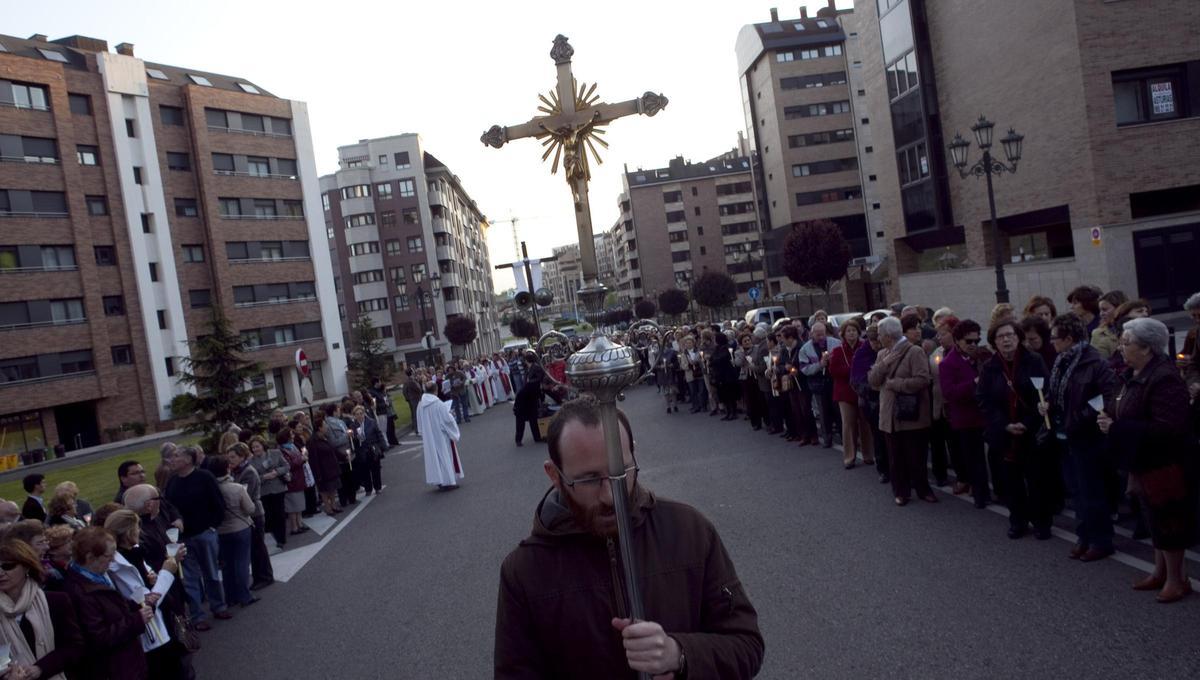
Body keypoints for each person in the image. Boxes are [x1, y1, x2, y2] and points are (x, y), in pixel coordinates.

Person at [493, 397, 764, 679]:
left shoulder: (690, 531)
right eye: (588, 479)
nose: (611, 495)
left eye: (620, 472)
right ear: (555, 476)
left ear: (633, 455)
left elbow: (746, 645)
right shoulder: (524, 573)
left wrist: (679, 654)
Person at [1100, 317, 1195, 603]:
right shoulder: (1134, 374)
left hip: (1164, 462)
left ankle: (1177, 579)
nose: (1121, 348)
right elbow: (1125, 407)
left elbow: (1168, 428)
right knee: (1152, 515)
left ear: (1147, 348)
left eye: (1127, 343)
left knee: (1168, 519)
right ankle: (1160, 571)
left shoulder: (1163, 377)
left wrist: (1117, 428)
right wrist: (1110, 417)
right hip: (1143, 459)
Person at [1041, 313, 1117, 562]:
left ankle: (1101, 540)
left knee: (1091, 491)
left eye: (1055, 338)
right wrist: (1048, 404)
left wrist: (1080, 417)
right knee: (1076, 491)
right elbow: (1058, 393)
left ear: (1069, 338)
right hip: (1065, 436)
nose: (1051, 342)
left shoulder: (1094, 363)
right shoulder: (1062, 361)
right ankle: (1084, 536)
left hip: (1087, 436)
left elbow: (1107, 398)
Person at [977, 319, 1054, 540]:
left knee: (1037, 479)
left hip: (1031, 430)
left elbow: (1045, 393)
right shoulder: (990, 367)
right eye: (1000, 337)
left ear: (1018, 337)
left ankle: (1042, 522)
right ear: (994, 342)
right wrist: (1004, 425)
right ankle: (1017, 520)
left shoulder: (1033, 361)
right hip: (1004, 434)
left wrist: (1027, 422)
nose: (1006, 339)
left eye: (1010, 335)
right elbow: (983, 400)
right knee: (1011, 482)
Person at [103, 509, 186, 679]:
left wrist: (155, 577)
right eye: (136, 528)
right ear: (127, 533)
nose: (139, 531)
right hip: (149, 637)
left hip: (161, 627)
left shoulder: (135, 553)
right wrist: (167, 571)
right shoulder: (117, 567)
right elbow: (149, 601)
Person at [63, 526, 152, 679]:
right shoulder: (80, 592)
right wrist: (136, 620)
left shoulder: (95, 577)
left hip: (125, 664)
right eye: (108, 556)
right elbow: (99, 638)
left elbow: (113, 609)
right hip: (114, 670)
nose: (112, 561)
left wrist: (137, 604)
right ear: (90, 557)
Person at [869, 316, 936, 506]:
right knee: (895, 457)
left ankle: (923, 489)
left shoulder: (915, 352)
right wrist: (883, 365)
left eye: (881, 334)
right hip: (889, 414)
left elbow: (923, 379)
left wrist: (895, 384)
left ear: (889, 335)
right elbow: (873, 381)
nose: (879, 338)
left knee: (916, 456)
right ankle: (901, 491)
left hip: (912, 414)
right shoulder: (882, 354)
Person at [163, 445, 231, 629]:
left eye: (176, 456)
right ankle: (198, 616)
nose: (172, 459)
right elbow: (167, 506)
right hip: (183, 538)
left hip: (204, 534)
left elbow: (218, 503)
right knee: (191, 579)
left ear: (187, 460)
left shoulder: (204, 477)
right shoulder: (172, 482)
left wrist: (211, 527)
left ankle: (219, 606)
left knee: (211, 572)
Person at [0, 538, 84, 680]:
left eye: (8, 566)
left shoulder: (55, 601)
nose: (0, 573)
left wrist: (40, 668)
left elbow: (75, 647)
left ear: (26, 567)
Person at [940, 319, 994, 506]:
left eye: (976, 341)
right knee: (974, 459)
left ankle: (1000, 492)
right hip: (966, 418)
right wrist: (974, 384)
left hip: (987, 414)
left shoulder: (983, 356)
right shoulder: (948, 363)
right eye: (968, 341)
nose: (973, 345)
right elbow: (949, 393)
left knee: (994, 456)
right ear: (957, 341)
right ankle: (981, 495)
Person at [210, 457, 256, 609]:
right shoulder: (236, 488)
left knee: (226, 565)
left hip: (221, 531)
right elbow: (250, 509)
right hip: (240, 527)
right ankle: (244, 595)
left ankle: (230, 597)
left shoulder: (212, 490)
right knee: (242, 563)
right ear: (227, 469)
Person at [226, 442, 273, 590]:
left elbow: (246, 495)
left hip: (254, 513)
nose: (230, 460)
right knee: (253, 548)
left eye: (233, 457)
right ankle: (259, 576)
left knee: (258, 547)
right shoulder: (236, 471)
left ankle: (265, 576)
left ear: (242, 456)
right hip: (246, 515)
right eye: (229, 457)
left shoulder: (248, 472)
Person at [829, 319, 872, 469]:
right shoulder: (837, 351)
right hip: (844, 393)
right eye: (848, 331)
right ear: (843, 334)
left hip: (863, 391)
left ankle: (868, 455)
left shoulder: (865, 347)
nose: (851, 333)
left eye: (854, 330)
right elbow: (833, 371)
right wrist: (852, 371)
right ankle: (849, 457)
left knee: (865, 424)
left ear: (859, 333)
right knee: (848, 424)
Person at [851, 324, 888, 483]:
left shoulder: (888, 352)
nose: (876, 345)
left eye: (878, 341)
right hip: (871, 403)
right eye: (873, 342)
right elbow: (855, 381)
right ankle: (883, 469)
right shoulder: (861, 354)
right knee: (878, 437)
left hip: (889, 401)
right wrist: (873, 387)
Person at [416, 381, 464, 490]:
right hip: (440, 435)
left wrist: (423, 432)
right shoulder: (438, 404)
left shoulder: (420, 404)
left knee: (434, 457)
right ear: (435, 390)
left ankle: (438, 480)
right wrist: (451, 416)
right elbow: (447, 421)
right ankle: (448, 481)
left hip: (429, 436)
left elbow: (419, 421)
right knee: (444, 456)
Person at [799, 321, 840, 447]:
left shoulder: (835, 343)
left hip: (834, 381)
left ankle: (843, 436)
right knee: (823, 412)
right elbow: (804, 369)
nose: (821, 337)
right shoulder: (805, 348)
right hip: (818, 384)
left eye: (822, 334)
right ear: (812, 334)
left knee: (838, 411)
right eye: (818, 335)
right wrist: (819, 365)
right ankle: (827, 438)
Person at [248, 435, 290, 550]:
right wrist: (264, 477)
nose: (255, 449)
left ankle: (281, 539)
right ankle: (275, 535)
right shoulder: (250, 462)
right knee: (270, 516)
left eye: (257, 446)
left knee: (280, 514)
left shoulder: (275, 453)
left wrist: (277, 472)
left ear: (263, 445)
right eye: (253, 447)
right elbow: (252, 478)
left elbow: (286, 466)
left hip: (278, 488)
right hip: (264, 492)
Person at [307, 415, 342, 516]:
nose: (326, 426)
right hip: (323, 470)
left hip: (331, 467)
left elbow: (332, 450)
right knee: (324, 490)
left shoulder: (324, 438)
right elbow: (313, 459)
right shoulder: (313, 441)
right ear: (319, 428)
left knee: (332, 488)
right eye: (324, 425)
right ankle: (328, 507)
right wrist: (317, 474)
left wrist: (343, 456)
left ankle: (334, 505)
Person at [351, 405, 386, 497]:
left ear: (364, 414)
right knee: (365, 471)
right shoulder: (353, 426)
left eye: (361, 413)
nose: (359, 416)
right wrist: (355, 438)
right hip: (361, 451)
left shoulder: (371, 422)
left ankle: (378, 487)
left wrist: (382, 446)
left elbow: (379, 434)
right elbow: (352, 440)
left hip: (372, 449)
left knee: (376, 469)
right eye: (357, 414)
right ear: (354, 416)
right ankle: (368, 489)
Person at [514, 353, 546, 446]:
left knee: (532, 418)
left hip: (530, 395)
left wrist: (529, 383)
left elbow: (540, 378)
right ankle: (519, 439)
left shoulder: (535, 367)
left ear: (526, 360)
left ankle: (536, 437)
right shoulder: (529, 368)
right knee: (524, 418)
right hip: (526, 396)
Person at [1090, 290, 1128, 359]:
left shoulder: (1134, 328)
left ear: (1119, 308)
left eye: (1104, 310)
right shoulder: (1097, 334)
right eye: (1100, 310)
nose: (1101, 314)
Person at [711, 334, 740, 421]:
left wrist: (715, 360)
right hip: (720, 376)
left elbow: (722, 359)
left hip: (728, 375)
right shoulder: (717, 349)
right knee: (724, 395)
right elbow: (712, 359)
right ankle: (728, 412)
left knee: (730, 394)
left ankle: (733, 412)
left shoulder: (727, 348)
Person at [370, 378, 398, 447]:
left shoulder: (378, 391)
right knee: (383, 429)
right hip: (380, 413)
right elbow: (375, 403)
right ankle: (386, 444)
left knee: (385, 429)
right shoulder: (373, 392)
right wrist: (384, 404)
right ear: (376, 383)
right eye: (379, 382)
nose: (380, 383)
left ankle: (388, 443)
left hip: (384, 411)